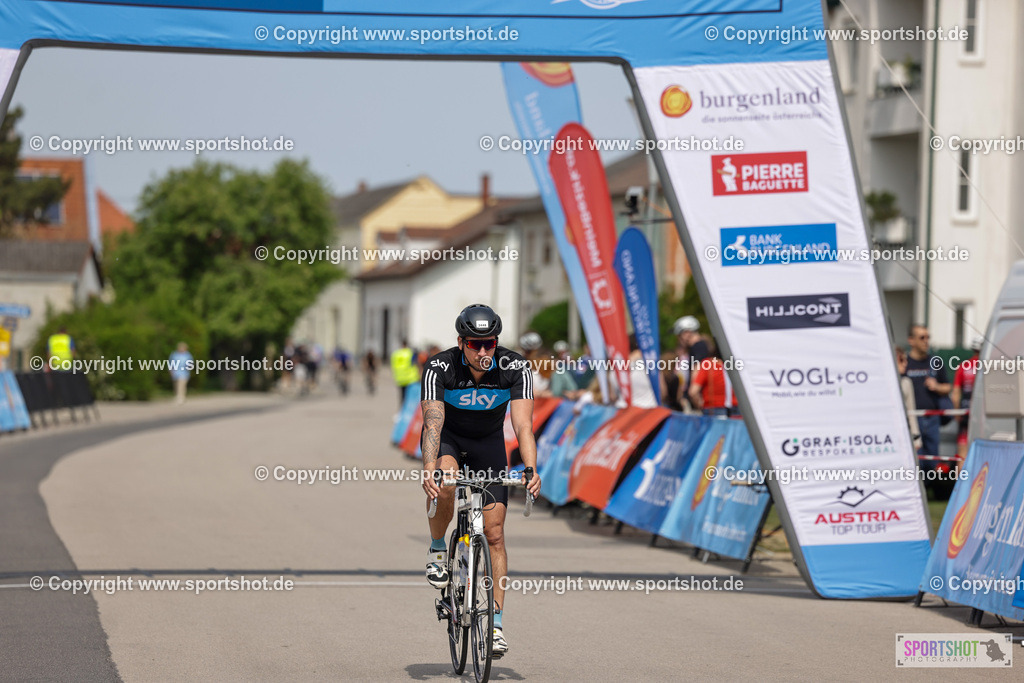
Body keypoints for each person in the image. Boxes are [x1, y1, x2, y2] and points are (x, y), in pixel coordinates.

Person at [421, 304, 541, 659]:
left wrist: (530, 469)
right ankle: (438, 548)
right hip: (449, 439)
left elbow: (523, 426)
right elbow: (432, 424)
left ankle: (496, 626)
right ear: (462, 343)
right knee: (446, 481)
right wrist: (429, 467)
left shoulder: (514, 367)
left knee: (495, 534)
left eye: (490, 343)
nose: (484, 351)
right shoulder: (440, 367)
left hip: (489, 444)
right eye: (475, 344)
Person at [904, 324, 951, 462]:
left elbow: (948, 387)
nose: (926, 341)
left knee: (932, 461)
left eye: (928, 337)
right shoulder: (905, 363)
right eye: (922, 337)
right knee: (915, 459)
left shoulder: (935, 362)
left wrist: (937, 386)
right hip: (913, 418)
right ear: (911, 340)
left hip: (932, 419)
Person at [951, 337, 982, 461]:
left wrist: (957, 413)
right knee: (982, 452)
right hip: (982, 414)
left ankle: (962, 474)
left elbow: (955, 394)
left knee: (962, 453)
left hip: (965, 411)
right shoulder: (989, 366)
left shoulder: (964, 366)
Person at [688, 342, 738, 417]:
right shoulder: (736, 364)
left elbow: (693, 392)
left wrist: (698, 405)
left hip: (714, 408)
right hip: (737, 407)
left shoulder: (708, 364)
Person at [895, 346, 922, 452]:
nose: (905, 363)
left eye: (906, 360)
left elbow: (911, 411)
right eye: (901, 360)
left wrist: (916, 438)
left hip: (903, 433)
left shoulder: (906, 383)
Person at [627, 335, 664, 409]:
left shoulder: (617, 365)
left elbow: (612, 396)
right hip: (650, 409)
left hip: (626, 411)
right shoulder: (652, 363)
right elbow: (662, 391)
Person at [390, 338, 421, 407]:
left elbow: (393, 365)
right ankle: (408, 410)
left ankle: (402, 408)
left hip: (400, 378)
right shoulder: (411, 353)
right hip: (411, 378)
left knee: (402, 396)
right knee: (410, 396)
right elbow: (416, 363)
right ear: (407, 344)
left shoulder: (396, 353)